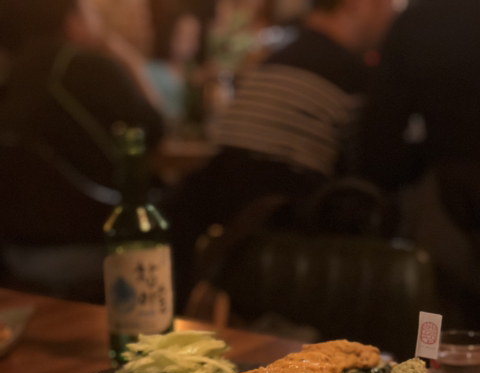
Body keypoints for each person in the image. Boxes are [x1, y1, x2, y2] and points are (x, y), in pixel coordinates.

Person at [166, 0, 396, 308]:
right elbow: (374, 170)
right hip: (282, 238)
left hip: (212, 228)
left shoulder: (272, 60)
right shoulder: (353, 76)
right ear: (358, 5)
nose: (391, 14)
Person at [0, 0, 164, 299]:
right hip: (100, 246)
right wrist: (127, 57)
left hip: (12, 253)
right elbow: (155, 130)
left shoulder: (10, 77)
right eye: (90, 9)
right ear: (71, 20)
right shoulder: (94, 69)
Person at [357, 0, 480, 327]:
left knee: (441, 325)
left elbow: (380, 131)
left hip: (449, 199)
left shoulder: (419, 21)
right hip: (451, 195)